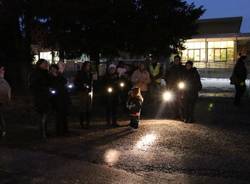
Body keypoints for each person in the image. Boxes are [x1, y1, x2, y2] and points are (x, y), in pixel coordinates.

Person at [30, 59, 51, 139]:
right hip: (40, 97)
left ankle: (44, 132)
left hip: (45, 97)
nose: (46, 65)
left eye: (46, 63)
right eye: (44, 64)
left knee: (45, 115)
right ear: (40, 64)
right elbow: (33, 85)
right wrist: (43, 88)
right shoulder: (36, 73)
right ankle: (42, 133)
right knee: (41, 115)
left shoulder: (45, 73)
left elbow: (49, 82)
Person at [49, 64, 71, 136]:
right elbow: (50, 85)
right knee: (58, 115)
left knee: (64, 114)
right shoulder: (50, 77)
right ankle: (58, 131)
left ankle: (65, 130)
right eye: (52, 69)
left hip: (63, 96)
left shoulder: (60, 76)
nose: (53, 70)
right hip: (56, 98)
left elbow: (65, 81)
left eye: (54, 69)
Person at [165, 55, 185, 120]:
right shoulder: (170, 68)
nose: (176, 61)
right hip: (172, 87)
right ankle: (175, 115)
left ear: (179, 60)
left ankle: (181, 115)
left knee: (180, 102)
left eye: (178, 60)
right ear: (174, 60)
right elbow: (166, 76)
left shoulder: (182, 68)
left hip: (180, 87)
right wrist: (168, 83)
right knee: (172, 101)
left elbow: (185, 76)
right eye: (175, 60)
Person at [74, 62, 93, 128]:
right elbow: (76, 82)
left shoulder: (90, 73)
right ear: (84, 66)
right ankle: (82, 123)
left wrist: (90, 88)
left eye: (89, 66)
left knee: (88, 107)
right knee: (82, 107)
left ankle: (88, 123)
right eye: (87, 65)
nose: (88, 67)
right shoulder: (80, 73)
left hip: (88, 92)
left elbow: (91, 82)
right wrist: (82, 85)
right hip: (82, 91)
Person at [0, 64, 11, 138]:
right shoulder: (1, 79)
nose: (3, 71)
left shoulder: (2, 79)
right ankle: (2, 131)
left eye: (3, 70)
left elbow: (7, 90)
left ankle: (3, 131)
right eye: (1, 69)